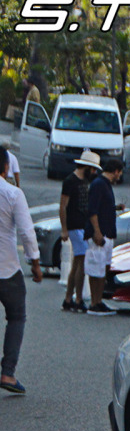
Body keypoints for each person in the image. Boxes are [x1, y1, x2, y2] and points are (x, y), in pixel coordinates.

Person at [0, 150, 41, 395]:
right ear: (5, 167)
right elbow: (26, 232)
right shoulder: (13, 194)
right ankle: (8, 373)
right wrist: (35, 263)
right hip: (7, 269)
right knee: (16, 317)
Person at [59, 150, 99, 313]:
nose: (95, 173)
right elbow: (63, 206)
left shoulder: (85, 181)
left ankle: (69, 298)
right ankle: (78, 298)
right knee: (81, 261)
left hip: (83, 224)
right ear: (87, 167)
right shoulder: (70, 181)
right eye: (93, 169)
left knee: (77, 262)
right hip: (75, 225)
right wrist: (64, 229)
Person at [84, 157, 125, 315]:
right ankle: (95, 302)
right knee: (97, 268)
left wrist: (114, 208)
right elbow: (92, 210)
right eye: (119, 173)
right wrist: (97, 231)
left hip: (107, 232)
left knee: (103, 267)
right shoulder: (99, 184)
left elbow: (101, 206)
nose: (119, 176)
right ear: (115, 171)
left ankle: (98, 300)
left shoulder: (105, 185)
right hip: (100, 234)